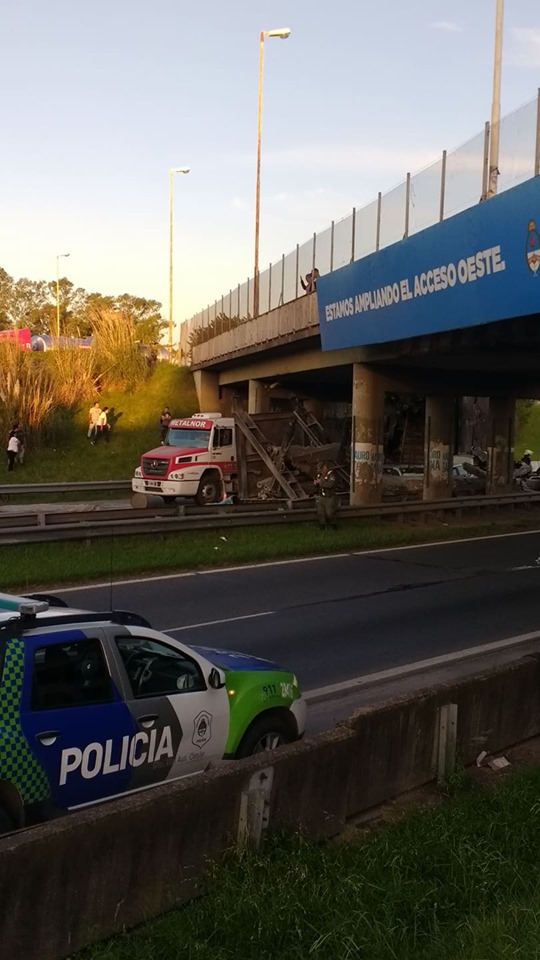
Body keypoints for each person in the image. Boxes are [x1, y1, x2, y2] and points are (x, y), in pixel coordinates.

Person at [314, 460, 338, 530]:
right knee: (320, 512)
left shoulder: (331, 475)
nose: (320, 471)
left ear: (325, 468)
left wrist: (320, 482)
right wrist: (316, 484)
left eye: (321, 469)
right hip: (321, 496)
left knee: (330, 513)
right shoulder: (319, 475)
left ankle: (333, 525)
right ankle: (322, 526)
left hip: (329, 497)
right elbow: (318, 485)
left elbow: (330, 484)